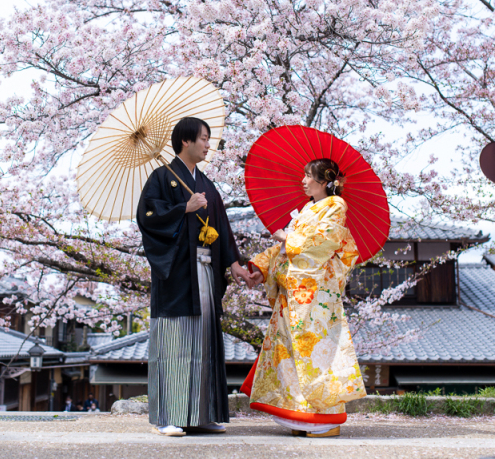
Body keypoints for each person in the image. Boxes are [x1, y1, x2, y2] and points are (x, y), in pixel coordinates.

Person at [137, 116, 254, 437]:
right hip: (176, 274)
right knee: (176, 340)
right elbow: (146, 218)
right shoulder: (161, 178)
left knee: (203, 341)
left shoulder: (206, 184)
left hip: (205, 272)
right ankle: (168, 415)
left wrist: (234, 264)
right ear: (185, 141)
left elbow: (223, 229)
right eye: (203, 138)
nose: (207, 144)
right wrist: (182, 209)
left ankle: (202, 413)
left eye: (208, 138)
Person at [241, 158, 366, 438]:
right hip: (295, 294)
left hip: (317, 295)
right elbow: (285, 249)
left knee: (316, 355)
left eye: (308, 176)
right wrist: (261, 267)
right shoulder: (309, 208)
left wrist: (289, 237)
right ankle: (301, 416)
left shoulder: (335, 207)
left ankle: (324, 420)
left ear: (324, 182)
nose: (303, 180)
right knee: (293, 354)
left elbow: (322, 243)